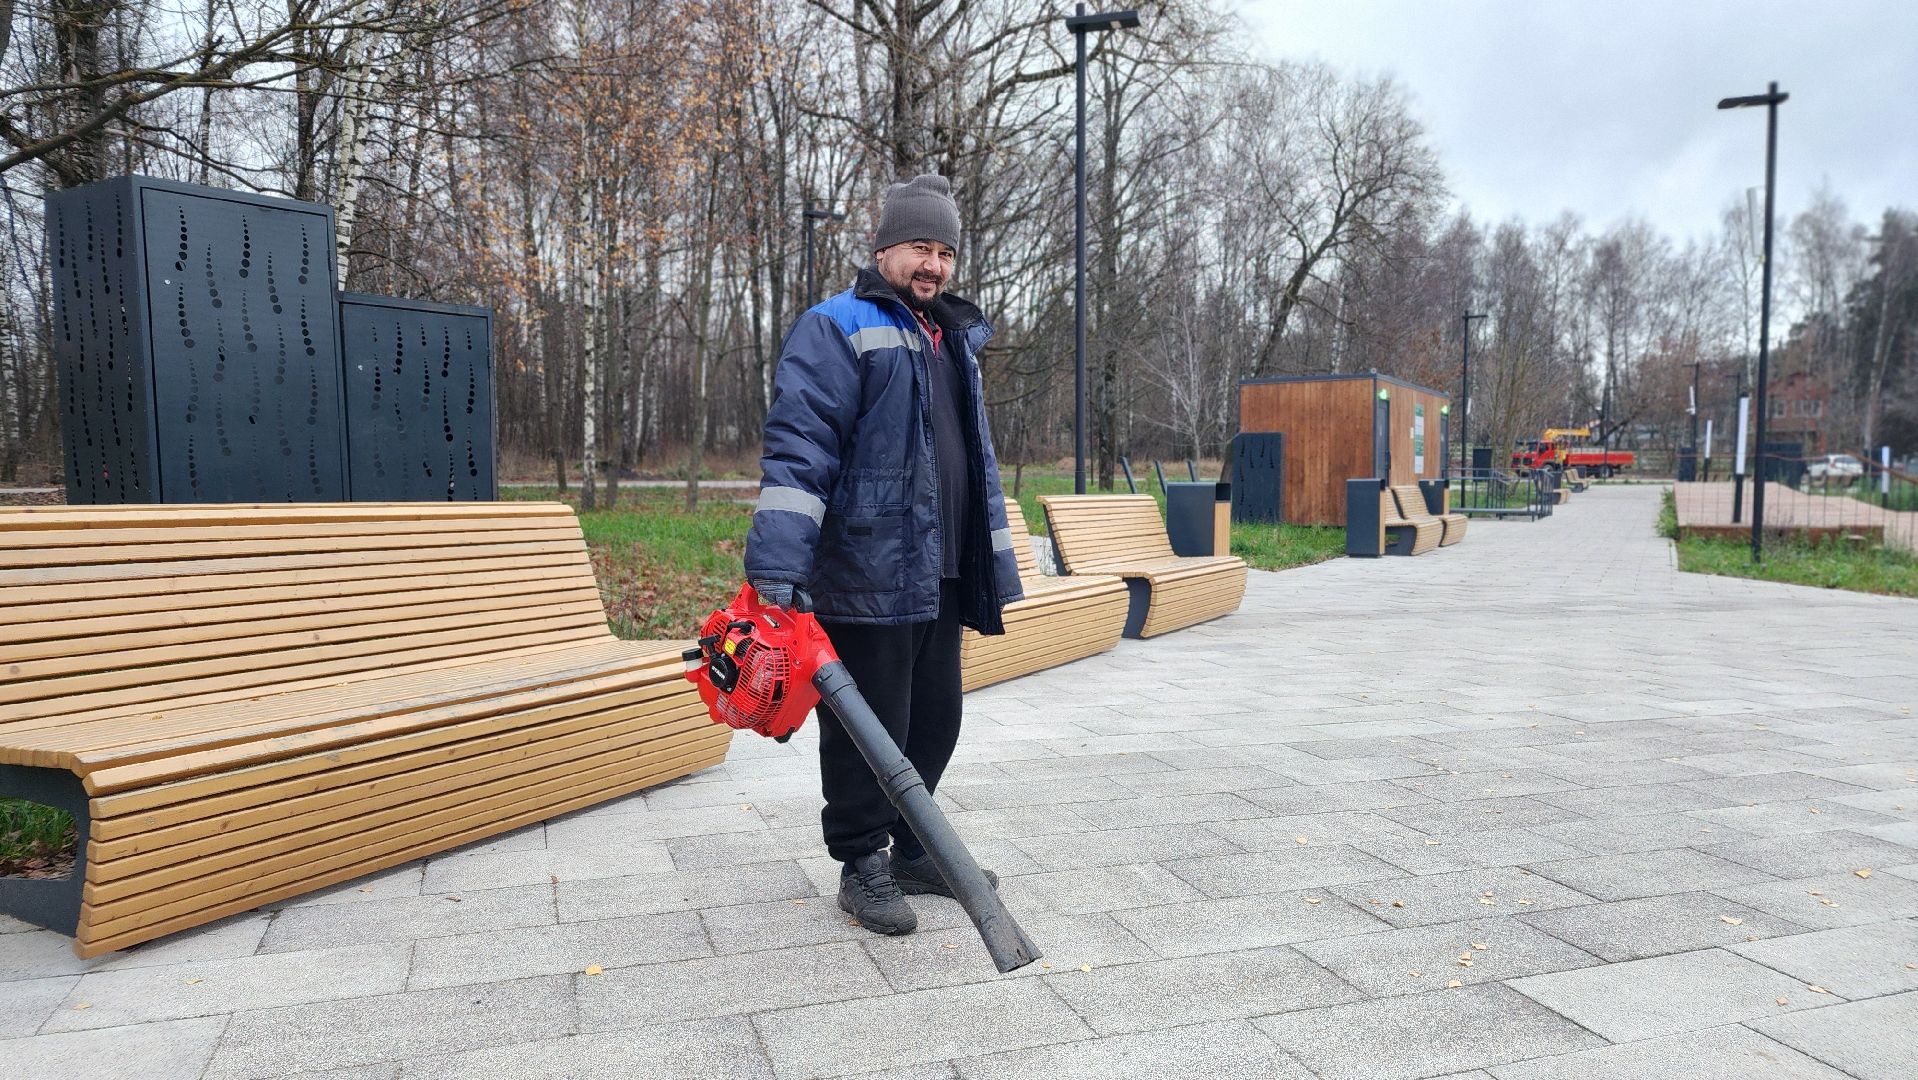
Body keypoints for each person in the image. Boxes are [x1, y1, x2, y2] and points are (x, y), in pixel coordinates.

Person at [743, 174, 1024, 935]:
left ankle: (910, 852)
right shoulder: (835, 326)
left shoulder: (956, 337)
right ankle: (861, 863)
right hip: (865, 567)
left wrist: (993, 559)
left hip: (943, 567)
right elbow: (800, 449)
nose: (932, 265)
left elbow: (976, 459)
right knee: (869, 729)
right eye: (918, 248)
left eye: (944, 252)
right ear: (883, 250)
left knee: (936, 722)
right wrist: (779, 565)